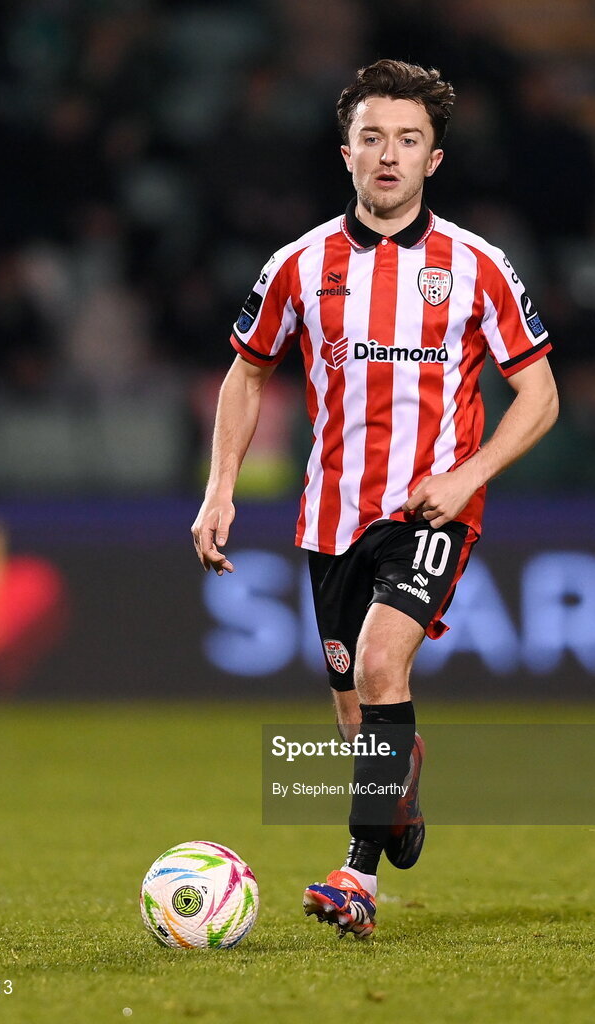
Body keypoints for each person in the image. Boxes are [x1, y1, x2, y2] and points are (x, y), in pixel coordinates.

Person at [192, 59, 558, 940]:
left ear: (434, 159)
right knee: (360, 713)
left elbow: (541, 395)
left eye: (408, 139)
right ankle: (399, 794)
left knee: (386, 664)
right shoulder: (297, 264)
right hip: (330, 517)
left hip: (432, 513)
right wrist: (220, 490)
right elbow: (247, 375)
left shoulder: (477, 265)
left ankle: (355, 880)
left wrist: (468, 477)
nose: (388, 155)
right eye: (372, 137)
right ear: (346, 151)